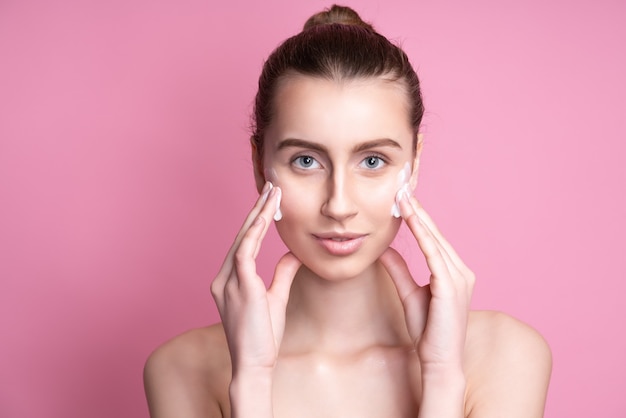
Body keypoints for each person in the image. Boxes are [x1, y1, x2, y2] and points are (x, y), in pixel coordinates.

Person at [143, 5, 552, 417]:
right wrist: (251, 378)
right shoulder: (183, 369)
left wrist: (443, 373)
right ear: (258, 164)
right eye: (306, 160)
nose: (339, 205)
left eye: (372, 161)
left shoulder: (506, 355)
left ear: (414, 163)